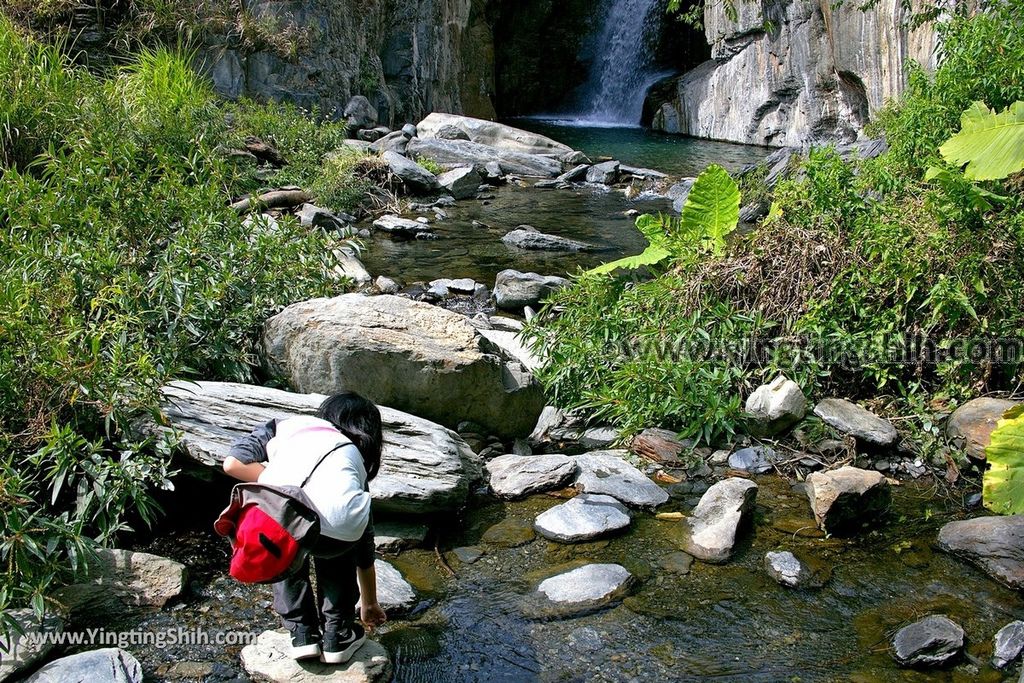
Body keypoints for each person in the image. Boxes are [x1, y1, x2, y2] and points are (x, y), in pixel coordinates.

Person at [222, 392, 388, 663]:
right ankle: (338, 635)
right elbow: (364, 545)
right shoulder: (352, 456)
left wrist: (284, 488)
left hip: (282, 528)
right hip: (341, 534)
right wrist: (369, 603)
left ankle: (302, 634)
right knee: (337, 544)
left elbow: (232, 464)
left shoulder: (283, 426)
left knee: (283, 532)